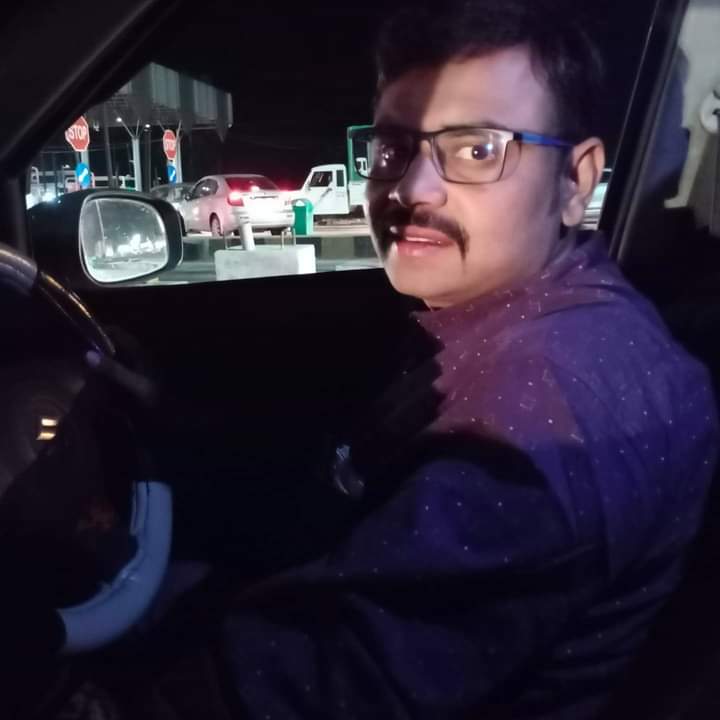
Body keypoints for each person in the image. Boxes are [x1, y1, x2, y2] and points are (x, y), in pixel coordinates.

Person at [80, 1, 718, 718]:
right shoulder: (508, 320)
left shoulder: (544, 403)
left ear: (576, 180)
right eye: (392, 150)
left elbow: (311, 685)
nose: (412, 190)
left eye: (476, 150)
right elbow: (326, 486)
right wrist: (165, 417)